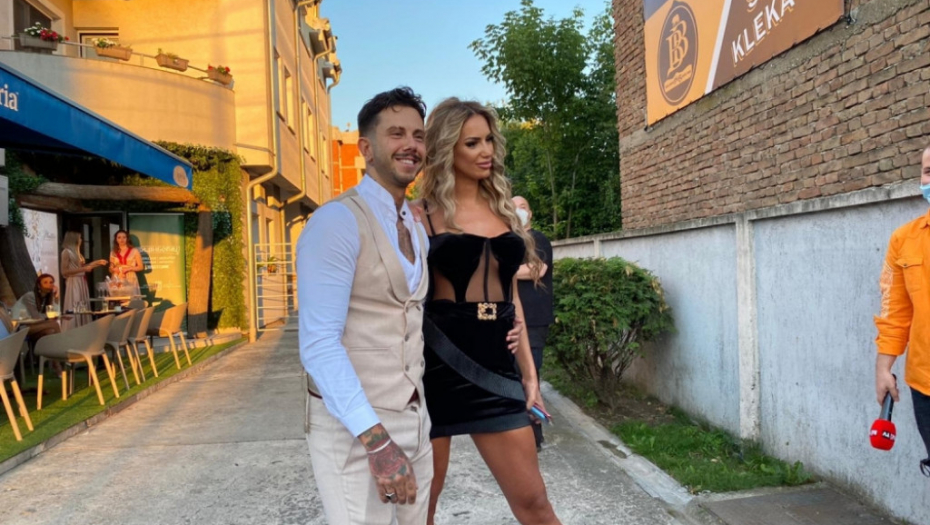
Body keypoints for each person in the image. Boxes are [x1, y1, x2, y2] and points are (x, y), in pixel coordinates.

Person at [417, 98, 561, 525]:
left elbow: (511, 299)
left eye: (489, 141)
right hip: (436, 368)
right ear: (447, 149)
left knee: (535, 503)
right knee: (421, 507)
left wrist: (530, 377)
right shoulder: (420, 215)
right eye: (472, 143)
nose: (486, 152)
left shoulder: (503, 210)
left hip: (496, 369)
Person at [296, 87, 436, 525]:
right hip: (355, 430)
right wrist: (377, 441)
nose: (410, 145)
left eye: (418, 135)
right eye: (396, 134)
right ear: (366, 148)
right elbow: (319, 344)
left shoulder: (415, 226)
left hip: (415, 421)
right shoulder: (336, 221)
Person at [874, 145, 930, 478]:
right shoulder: (904, 239)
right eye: (928, 171)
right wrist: (884, 368)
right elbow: (894, 312)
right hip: (926, 386)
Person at [512, 195, 555, 450]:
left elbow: (537, 269)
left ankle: (534, 436)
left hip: (534, 321)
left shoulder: (537, 239)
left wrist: (503, 269)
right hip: (511, 320)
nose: (518, 211)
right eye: (513, 207)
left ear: (531, 213)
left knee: (531, 376)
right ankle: (518, 432)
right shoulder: (509, 240)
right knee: (513, 376)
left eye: (523, 207)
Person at [60, 231, 107, 330]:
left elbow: (82, 267)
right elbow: (64, 271)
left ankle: (83, 327)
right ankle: (74, 328)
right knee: (76, 302)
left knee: (83, 305)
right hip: (74, 282)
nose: (81, 240)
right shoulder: (66, 252)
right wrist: (84, 269)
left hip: (81, 280)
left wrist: (97, 263)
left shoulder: (77, 253)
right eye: (79, 238)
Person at [11, 274, 62, 342]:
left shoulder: (46, 298)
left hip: (35, 326)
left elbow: (56, 314)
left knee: (50, 331)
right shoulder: (29, 296)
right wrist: (49, 317)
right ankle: (62, 346)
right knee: (54, 324)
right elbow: (36, 317)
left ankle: (48, 348)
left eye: (51, 282)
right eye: (45, 282)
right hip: (21, 327)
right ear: (39, 285)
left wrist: (56, 298)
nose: (49, 285)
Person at [109, 229, 142, 297]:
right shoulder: (113, 252)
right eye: (119, 237)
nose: (122, 239)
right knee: (117, 298)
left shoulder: (134, 251)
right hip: (117, 277)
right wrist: (113, 269)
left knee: (130, 298)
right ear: (116, 239)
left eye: (124, 237)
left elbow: (140, 267)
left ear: (127, 239)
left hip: (130, 276)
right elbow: (110, 268)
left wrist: (129, 269)